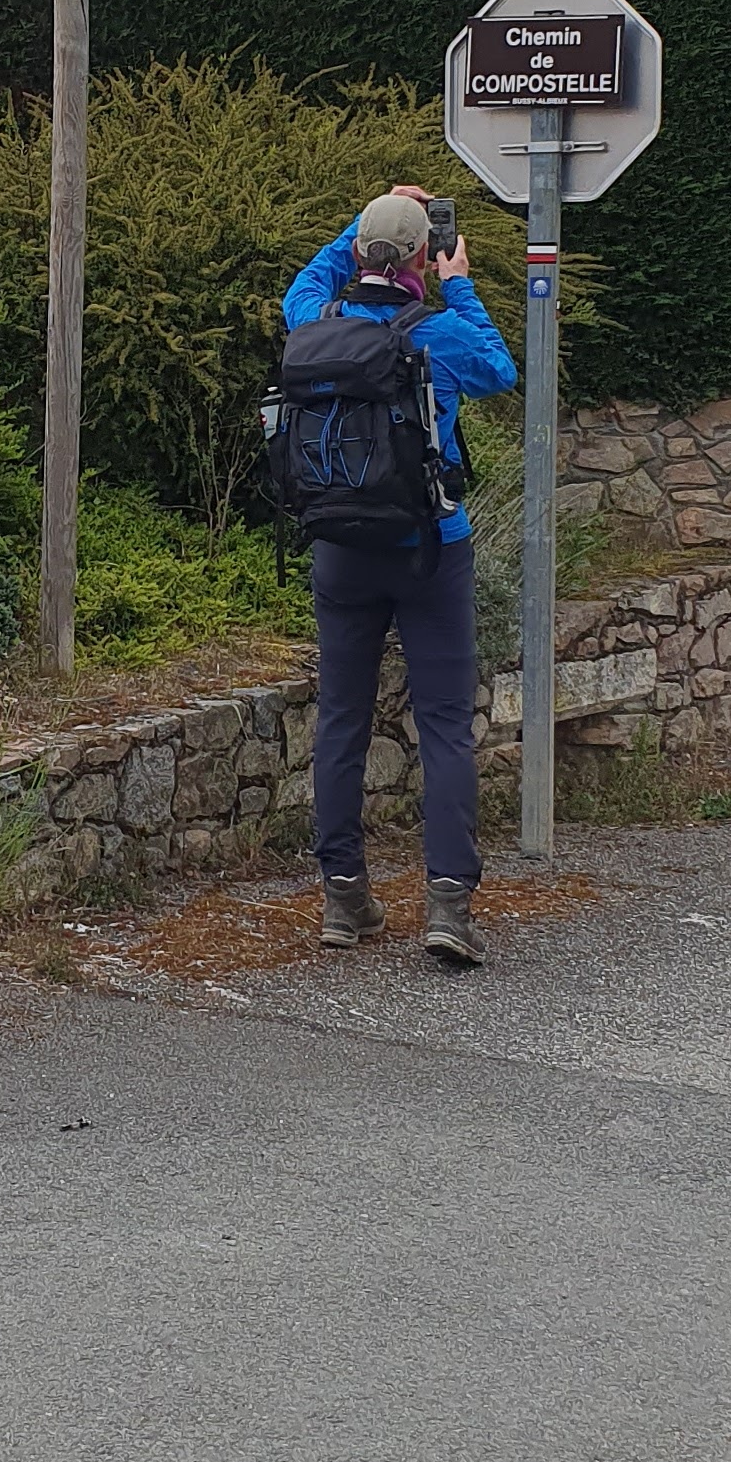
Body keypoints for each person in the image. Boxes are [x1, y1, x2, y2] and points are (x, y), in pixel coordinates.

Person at [282, 185, 516, 967]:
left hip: (340, 550)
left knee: (341, 719)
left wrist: (360, 219)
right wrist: (461, 284)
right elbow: (500, 369)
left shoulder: (315, 324)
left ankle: (343, 897)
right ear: (423, 255)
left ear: (359, 255)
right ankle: (448, 905)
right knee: (444, 724)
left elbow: (304, 284)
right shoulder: (439, 333)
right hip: (430, 548)